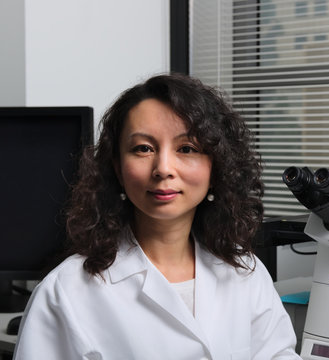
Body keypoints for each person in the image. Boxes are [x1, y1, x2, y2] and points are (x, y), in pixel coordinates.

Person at [13, 74, 301, 359]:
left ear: (217, 168)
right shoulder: (67, 291)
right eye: (143, 149)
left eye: (187, 148)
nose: (163, 168)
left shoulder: (244, 272)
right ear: (117, 168)